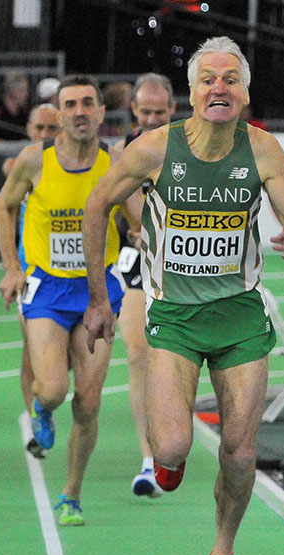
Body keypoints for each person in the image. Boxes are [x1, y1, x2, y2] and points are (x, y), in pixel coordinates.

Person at [81, 36, 284, 555]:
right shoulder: (151, 150)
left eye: (230, 79)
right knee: (171, 446)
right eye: (208, 79)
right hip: (176, 318)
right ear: (191, 92)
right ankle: (168, 462)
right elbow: (96, 207)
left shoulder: (262, 150)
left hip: (240, 317)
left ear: (244, 91)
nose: (219, 88)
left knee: (239, 450)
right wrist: (98, 299)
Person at [0, 75, 129, 526]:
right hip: (48, 289)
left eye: (88, 103)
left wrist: (153, 245)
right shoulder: (34, 161)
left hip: (99, 289)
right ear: (59, 112)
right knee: (52, 388)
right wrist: (13, 267)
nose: (80, 112)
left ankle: (71, 494)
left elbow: (138, 219)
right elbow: (2, 206)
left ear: (101, 112)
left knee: (88, 403)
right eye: (71, 104)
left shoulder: (116, 162)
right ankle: (40, 406)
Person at [0, 103, 62, 458]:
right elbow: (6, 209)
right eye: (39, 128)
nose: (45, 135)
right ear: (28, 130)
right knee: (33, 351)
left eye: (52, 128)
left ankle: (45, 401)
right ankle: (34, 420)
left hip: (75, 275)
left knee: (62, 360)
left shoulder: (80, 166)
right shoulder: (22, 166)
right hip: (34, 272)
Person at [112, 72, 176, 498]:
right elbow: (125, 204)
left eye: (160, 112)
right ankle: (149, 458)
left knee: (172, 357)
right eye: (145, 111)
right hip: (139, 259)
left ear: (173, 110)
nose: (152, 118)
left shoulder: (191, 144)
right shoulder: (123, 150)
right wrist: (140, 225)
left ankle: (172, 440)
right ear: (134, 110)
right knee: (137, 352)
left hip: (185, 261)